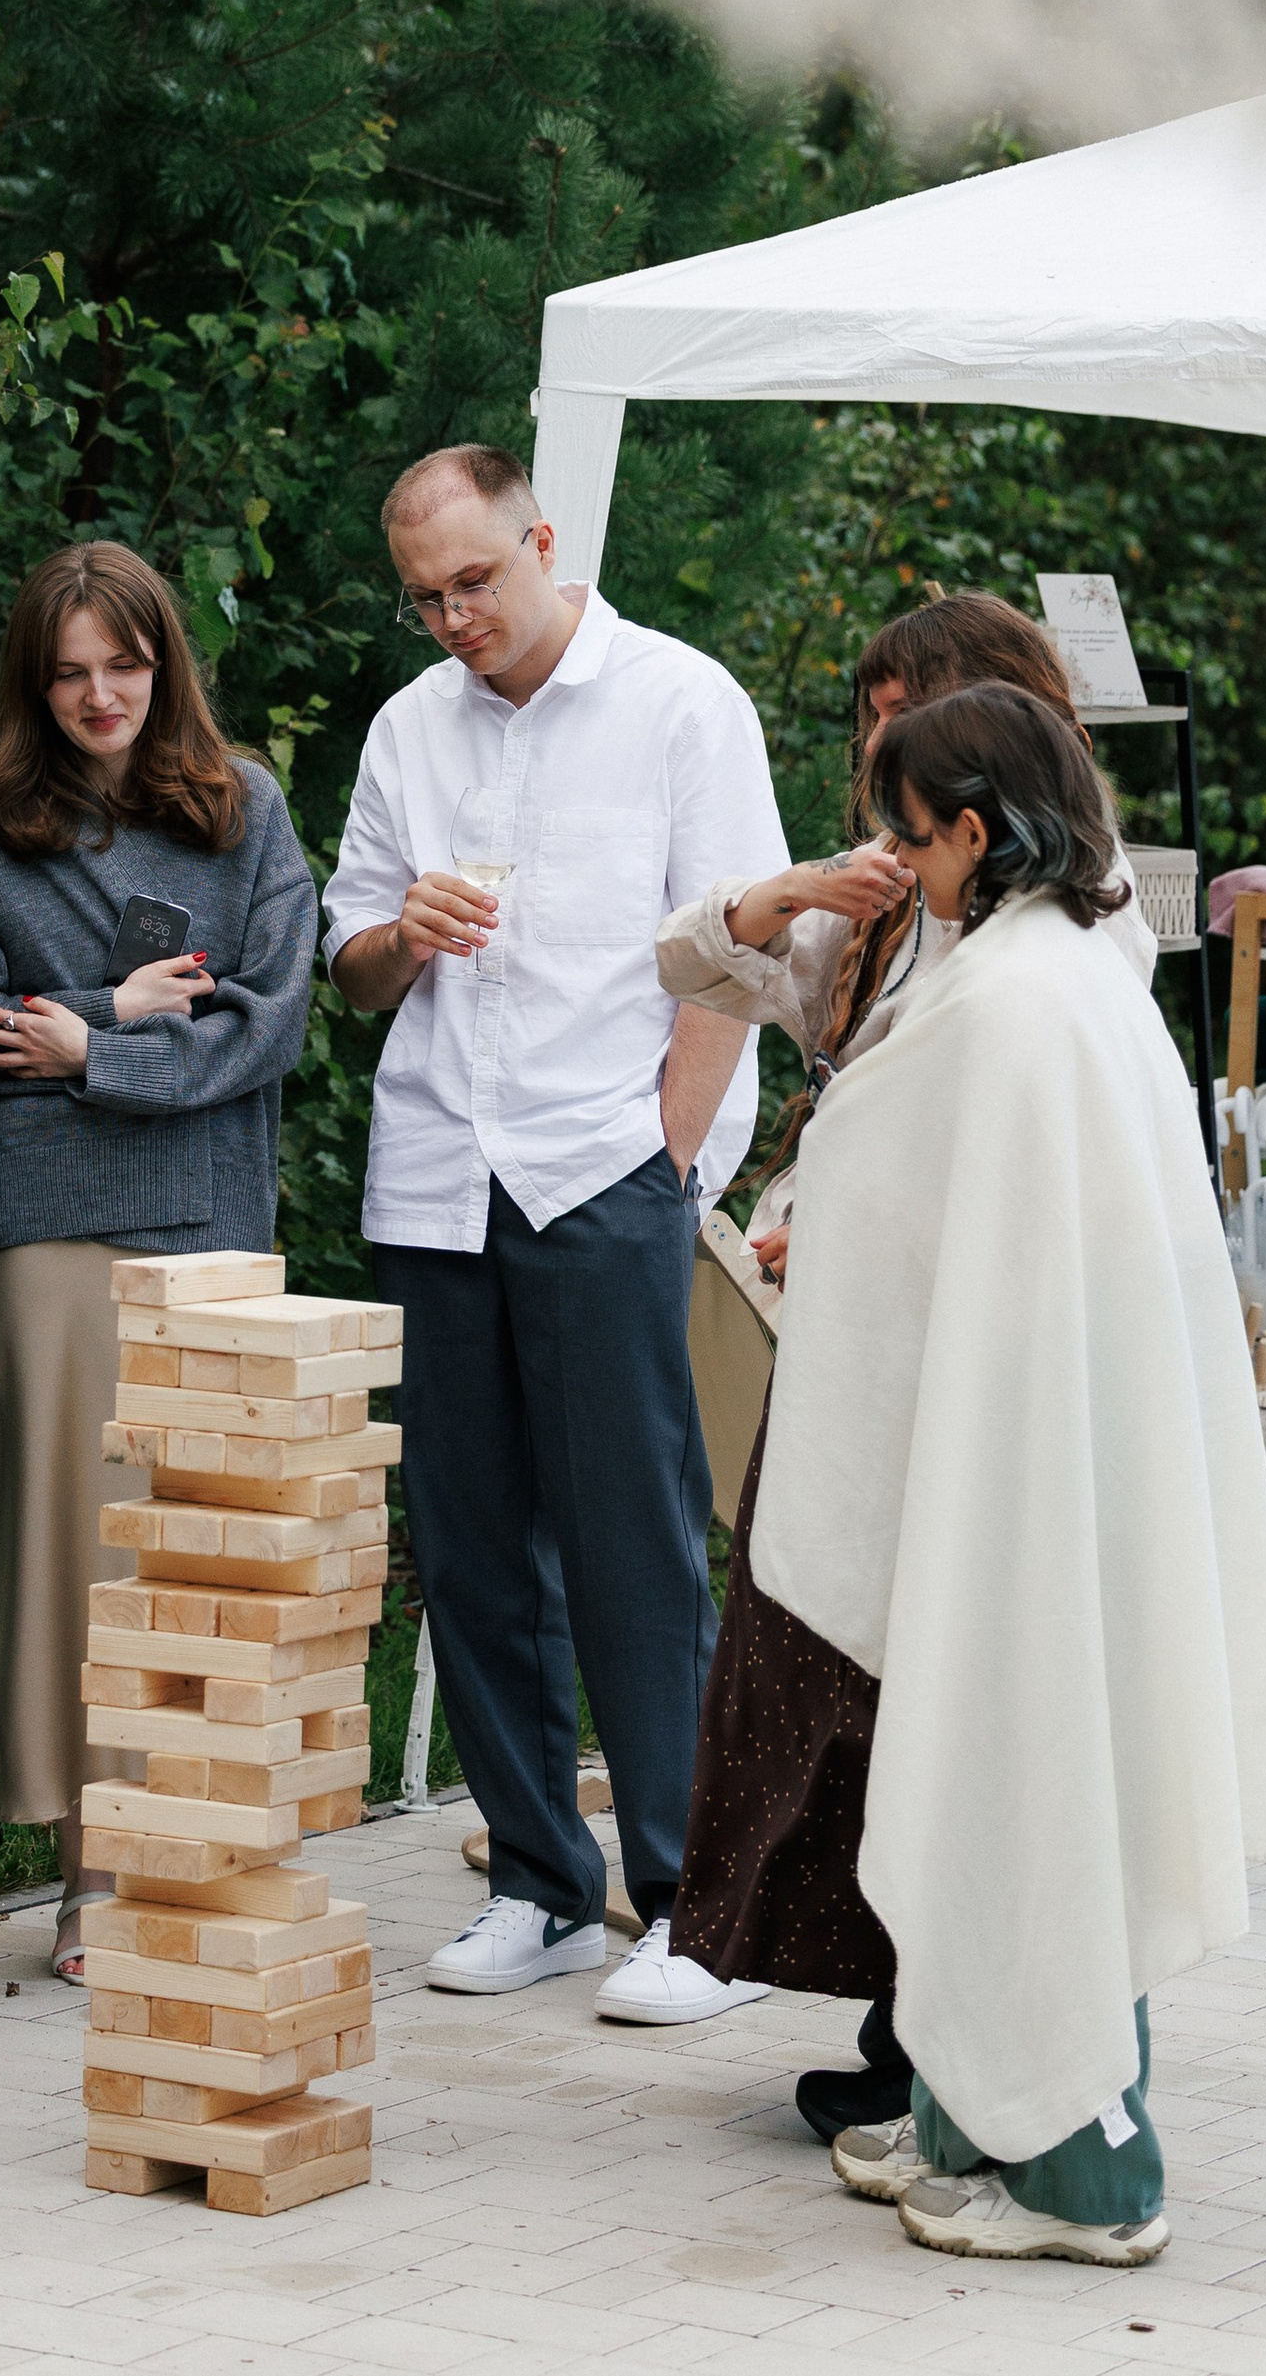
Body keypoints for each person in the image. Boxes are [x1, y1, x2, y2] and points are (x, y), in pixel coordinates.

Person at [756, 683, 1266, 2269]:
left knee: (1028, 1771)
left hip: (1025, 1469)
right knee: (1032, 1767)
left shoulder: (1006, 999)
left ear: (974, 832)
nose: (899, 862)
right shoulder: (1077, 972)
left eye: (911, 836)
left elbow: (867, 1161)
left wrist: (824, 1205)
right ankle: (976, 2118)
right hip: (1065, 1445)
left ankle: (1084, 2177)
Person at [659, 591, 1158, 2136]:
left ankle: (972, 2040)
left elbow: (1026, 1151)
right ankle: (901, 2023)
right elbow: (691, 962)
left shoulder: (1073, 927)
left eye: (900, 710)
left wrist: (863, 1224)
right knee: (835, 1688)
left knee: (952, 1683)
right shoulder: (880, 904)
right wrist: (798, 886)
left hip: (977, 1365)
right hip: (857, 1363)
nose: (872, 738)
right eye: (870, 709)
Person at [323, 443, 785, 2015]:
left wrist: (669, 1155)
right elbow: (352, 960)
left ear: (540, 539)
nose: (456, 616)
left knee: (634, 1537)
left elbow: (736, 947)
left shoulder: (680, 702)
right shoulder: (408, 729)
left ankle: (694, 1896)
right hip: (441, 1166)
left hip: (602, 1165)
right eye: (426, 597)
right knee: (468, 1541)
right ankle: (539, 1880)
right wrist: (404, 930)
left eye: (477, 580)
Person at [0, 541, 318, 1980]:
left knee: (202, 1554)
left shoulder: (246, 808)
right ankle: (91, 1880)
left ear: (167, 660)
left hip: (206, 1214)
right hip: (47, 1233)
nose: (100, 694)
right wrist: (103, 1012)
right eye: (71, 670)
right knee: (82, 1559)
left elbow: (272, 1022)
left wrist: (90, 1051)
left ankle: (198, 1864)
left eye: (125, 665)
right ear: (35, 676)